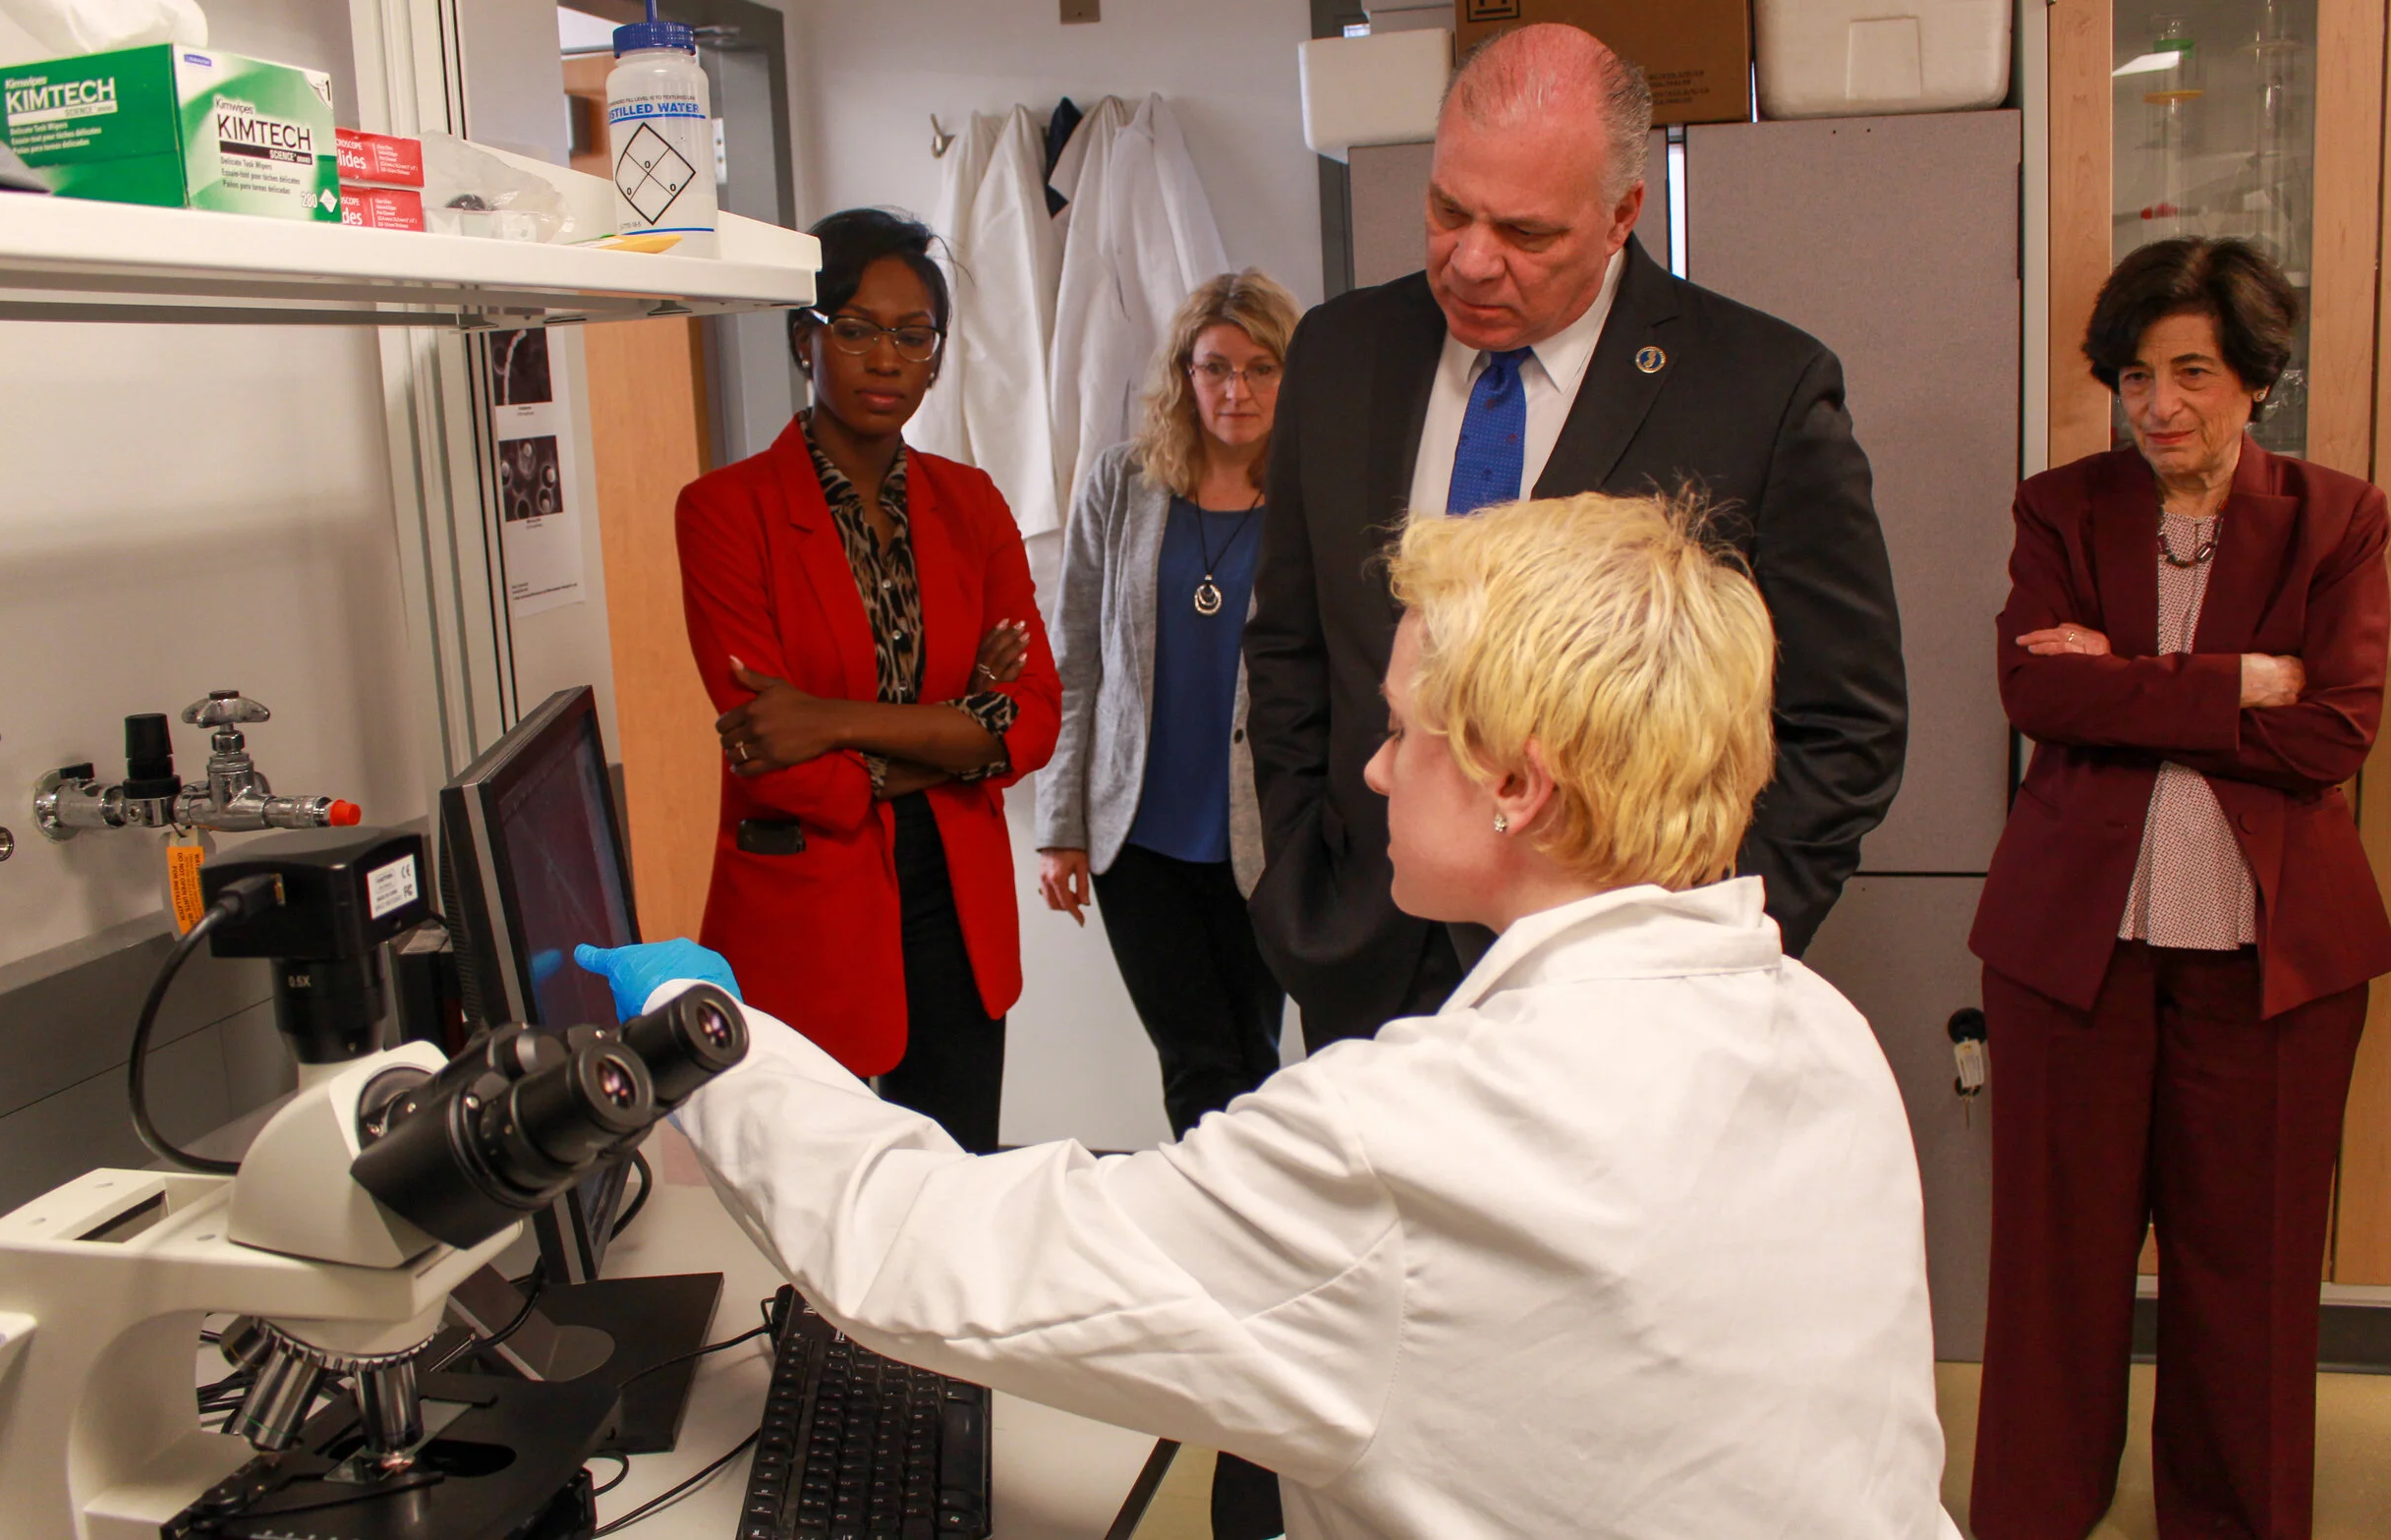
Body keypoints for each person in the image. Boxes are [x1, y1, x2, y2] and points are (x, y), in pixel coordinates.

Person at [578, 492, 1959, 1540]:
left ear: (1519, 786)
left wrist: (712, 1032)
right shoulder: (1820, 1031)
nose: (1370, 762)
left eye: (1409, 728)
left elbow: (924, 1255)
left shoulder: (1421, 1138)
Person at [1245, 21, 1906, 1051]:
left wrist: (1705, 947)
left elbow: (1845, 725)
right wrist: (1299, 877)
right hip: (1362, 954)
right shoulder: (1337, 353)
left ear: (1620, 215)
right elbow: (1288, 644)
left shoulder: (1758, 390)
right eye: (1446, 209)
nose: (1468, 261)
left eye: (1525, 233)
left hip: (1622, 994)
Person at [1966, 237, 2391, 1540]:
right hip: (2070, 955)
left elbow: (2337, 732)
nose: (2160, 405)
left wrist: (2133, 685)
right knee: (2055, 1274)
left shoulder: (2339, 516)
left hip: (2271, 963)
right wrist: (2241, 680)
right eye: (2138, 374)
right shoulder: (2062, 507)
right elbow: (2035, 691)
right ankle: (2036, 1516)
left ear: (2255, 377)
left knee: (2250, 1281)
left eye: (2193, 371)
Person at [674, 207, 1062, 1154]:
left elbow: (1032, 721)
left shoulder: (969, 505)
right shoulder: (727, 513)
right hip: (807, 909)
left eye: (912, 335)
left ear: (935, 357)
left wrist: (835, 719)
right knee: (816, 1206)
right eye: (855, 329)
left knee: (951, 1185)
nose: (885, 358)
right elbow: (777, 756)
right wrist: (951, 732)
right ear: (805, 338)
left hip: (954, 904)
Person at [1036, 270, 1301, 1139]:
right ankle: (1225, 1234)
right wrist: (1060, 824)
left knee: (1255, 1053)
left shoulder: (1308, 496)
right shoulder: (1123, 483)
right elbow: (1072, 658)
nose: (1237, 390)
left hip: (1262, 833)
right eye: (1217, 367)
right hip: (1136, 837)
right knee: (1196, 1059)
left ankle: (1247, 1232)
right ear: (1184, 374)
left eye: (1261, 368)